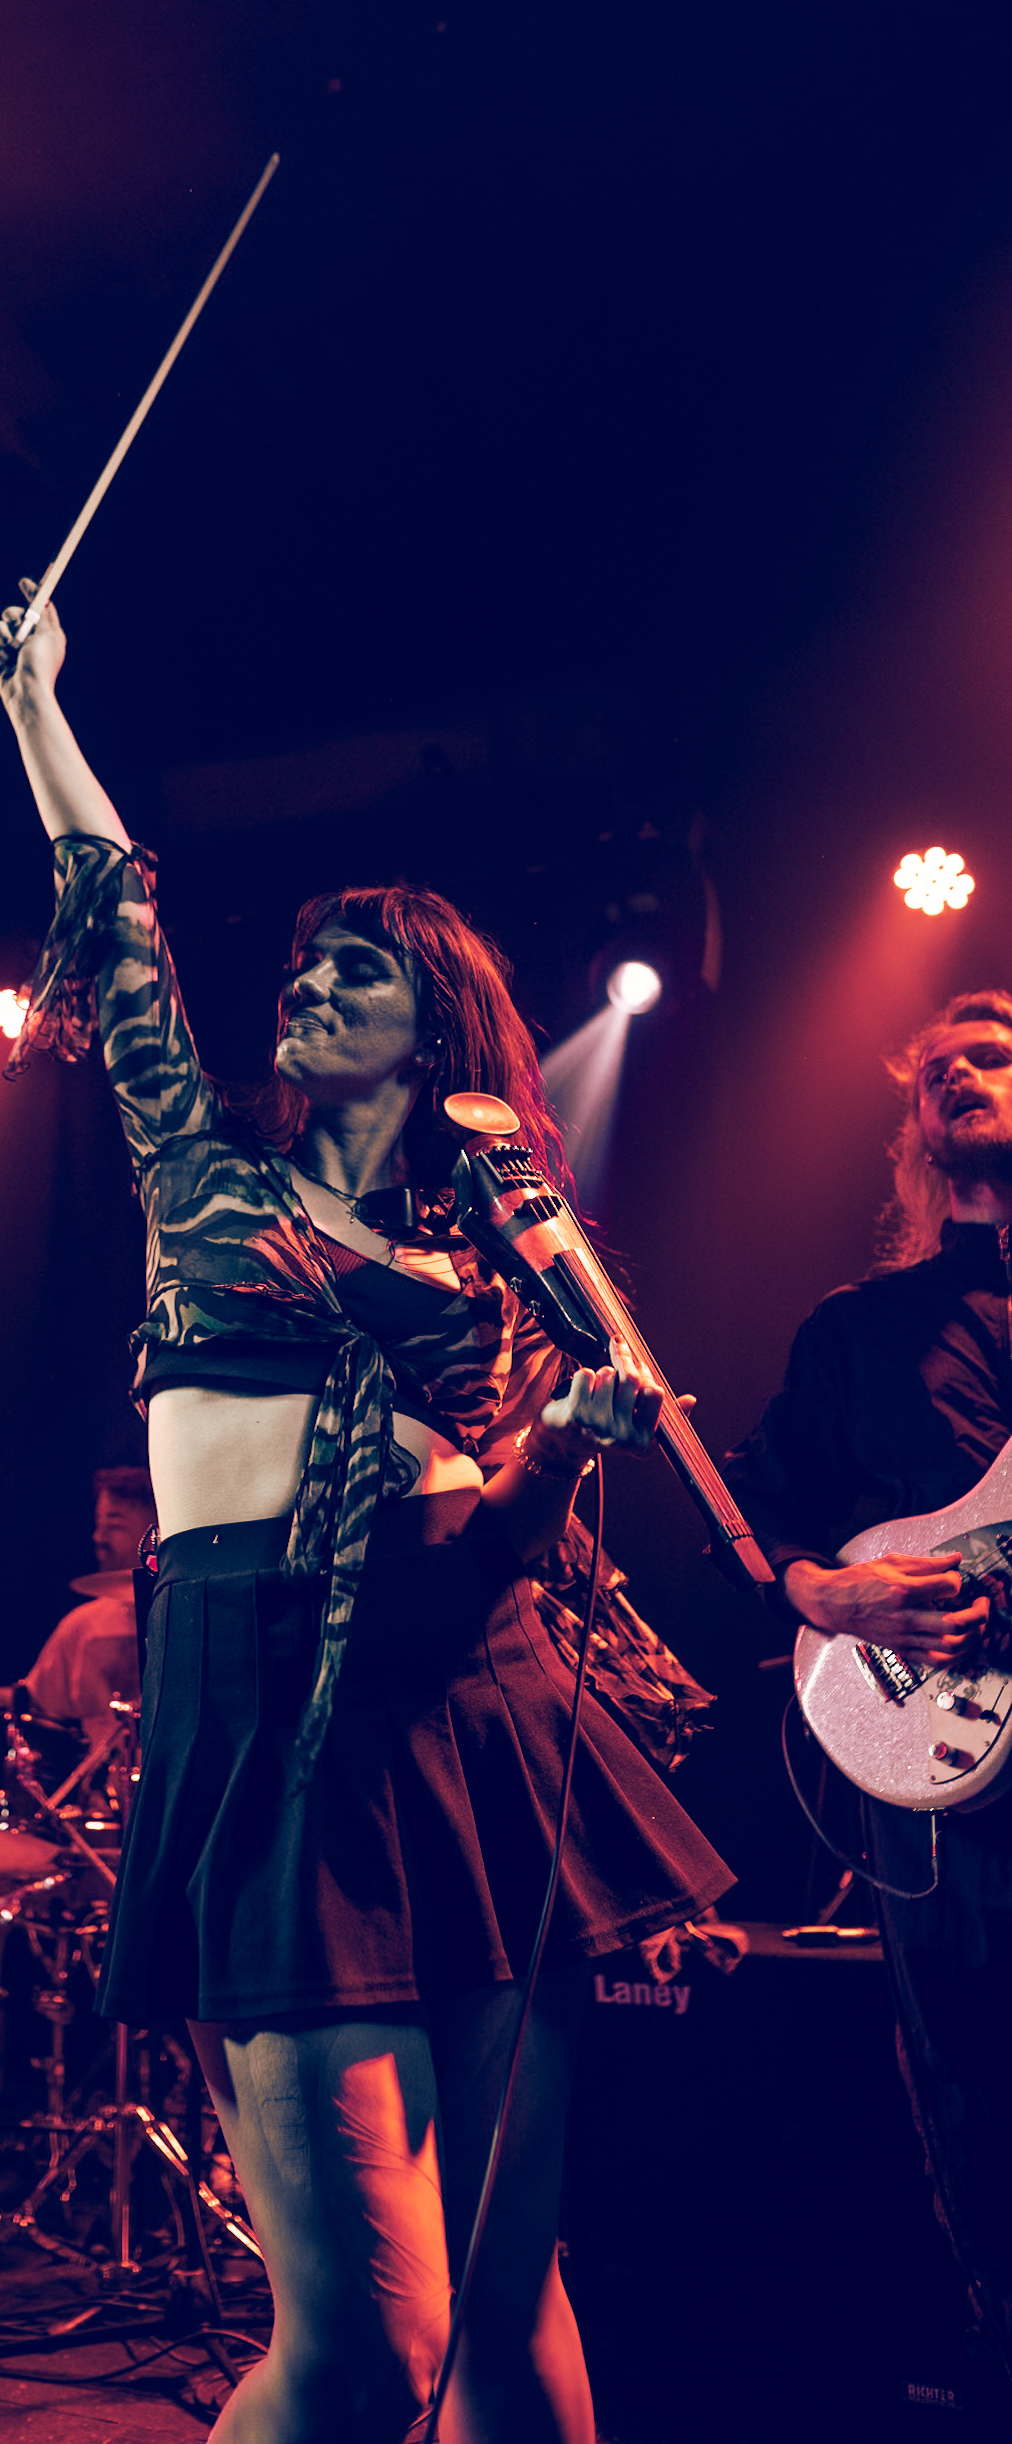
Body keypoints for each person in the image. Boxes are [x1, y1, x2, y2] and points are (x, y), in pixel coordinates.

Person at [0, 581, 732, 2444]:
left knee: (510, 2304)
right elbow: (118, 928)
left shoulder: (494, 1259)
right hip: (273, 1709)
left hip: (475, 1703)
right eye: (305, 967)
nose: (307, 986)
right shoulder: (205, 1173)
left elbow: (496, 1548)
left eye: (354, 973)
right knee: (362, 2355)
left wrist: (561, 1444)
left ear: (434, 1032)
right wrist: (38, 703)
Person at [725, 989, 1012, 2390]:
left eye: (993, 1052)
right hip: (940, 1766)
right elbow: (756, 1506)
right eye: (934, 1070)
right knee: (970, 2084)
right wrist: (822, 1592)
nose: (957, 1074)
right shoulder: (855, 1331)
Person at [0, 1465, 152, 1740]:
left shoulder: (187, 1620)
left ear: (157, 1530)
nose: (98, 1537)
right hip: (106, 1768)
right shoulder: (84, 1626)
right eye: (99, 1525)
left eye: (115, 1525)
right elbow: (33, 1706)